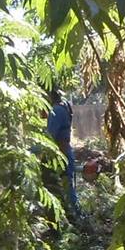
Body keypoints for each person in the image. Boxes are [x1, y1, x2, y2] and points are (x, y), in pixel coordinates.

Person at [46, 86, 81, 214]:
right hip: (67, 151)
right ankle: (76, 217)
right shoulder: (65, 106)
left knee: (66, 190)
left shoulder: (56, 111)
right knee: (69, 188)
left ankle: (75, 218)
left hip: (61, 155)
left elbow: (50, 136)